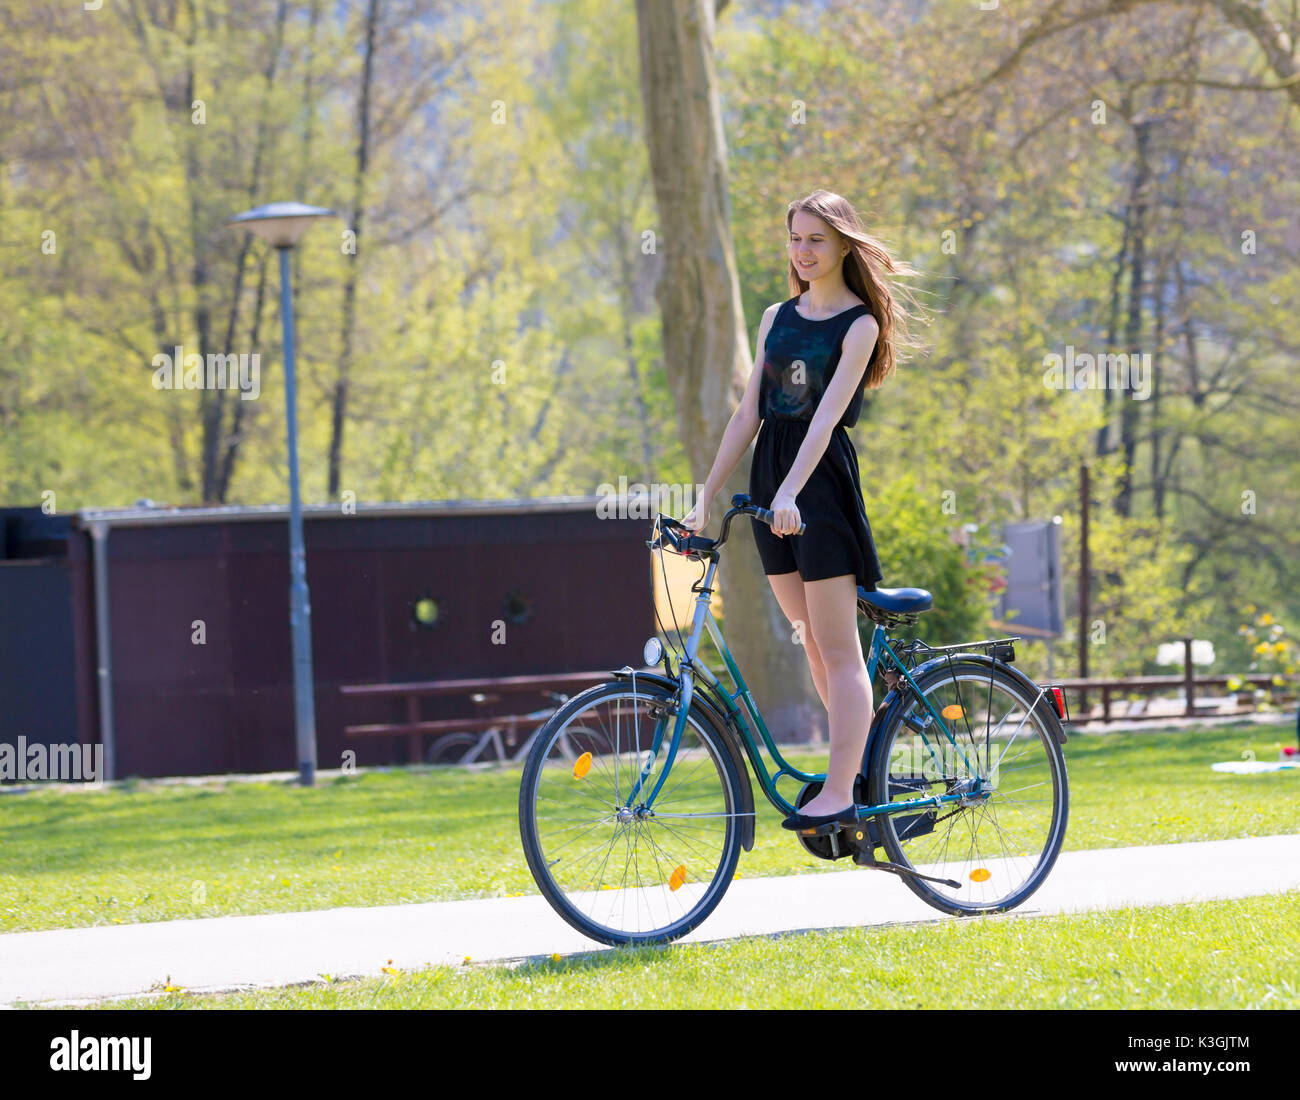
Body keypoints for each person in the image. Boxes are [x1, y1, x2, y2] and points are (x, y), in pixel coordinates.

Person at [681, 189, 929, 833]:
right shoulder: (775, 318)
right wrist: (705, 496)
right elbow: (748, 414)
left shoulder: (859, 326)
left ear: (844, 243)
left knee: (839, 648)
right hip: (772, 481)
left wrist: (792, 492)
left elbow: (823, 421)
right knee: (812, 645)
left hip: (818, 487)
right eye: (795, 238)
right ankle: (853, 775)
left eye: (816, 239)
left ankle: (842, 790)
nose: (803, 251)